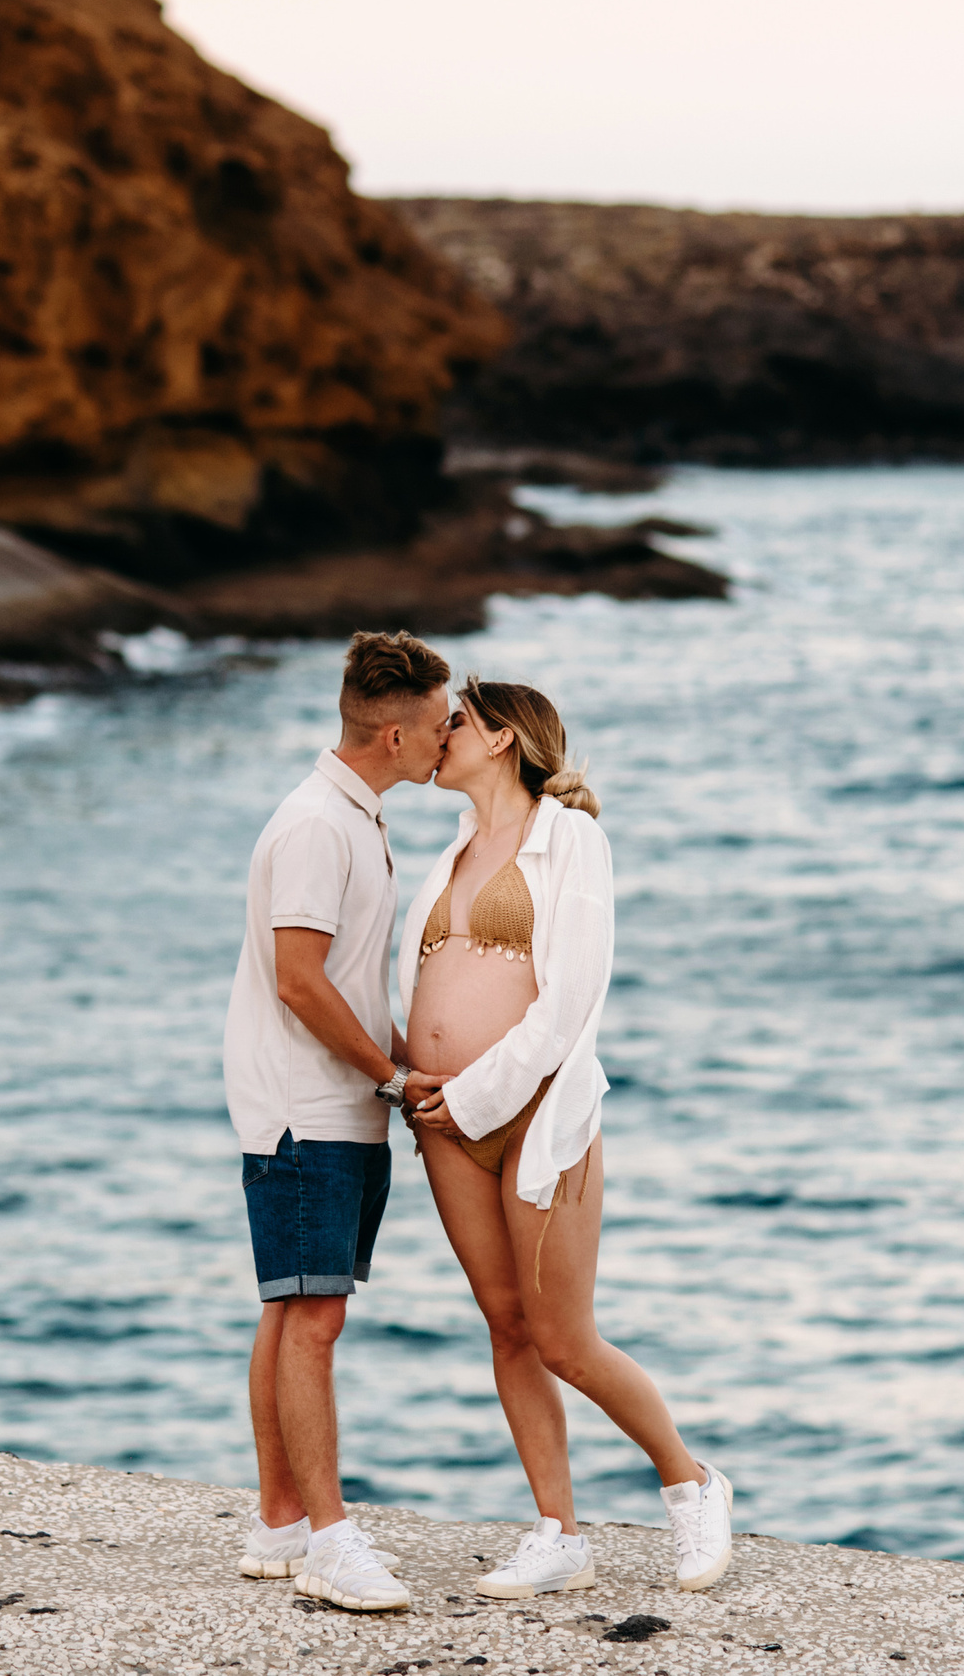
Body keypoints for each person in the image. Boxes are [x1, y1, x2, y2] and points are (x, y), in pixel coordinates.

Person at [399, 678, 734, 1599]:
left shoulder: (571, 836)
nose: (439, 733)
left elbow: (569, 1000)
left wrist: (470, 1096)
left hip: (534, 1118)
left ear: (503, 736)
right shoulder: (453, 847)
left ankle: (692, 1480)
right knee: (505, 1326)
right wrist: (411, 1075)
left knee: (564, 1338)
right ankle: (558, 1533)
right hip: (446, 1126)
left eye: (455, 720)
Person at [222, 630, 454, 1612]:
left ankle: (280, 1519)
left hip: (332, 1101)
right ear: (394, 734)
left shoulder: (357, 817)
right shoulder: (319, 825)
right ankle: (328, 1539)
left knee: (294, 1309)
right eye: (442, 725)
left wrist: (402, 1062)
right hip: (304, 1107)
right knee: (312, 1318)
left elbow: (347, 982)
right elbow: (299, 981)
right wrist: (389, 1076)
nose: (451, 739)